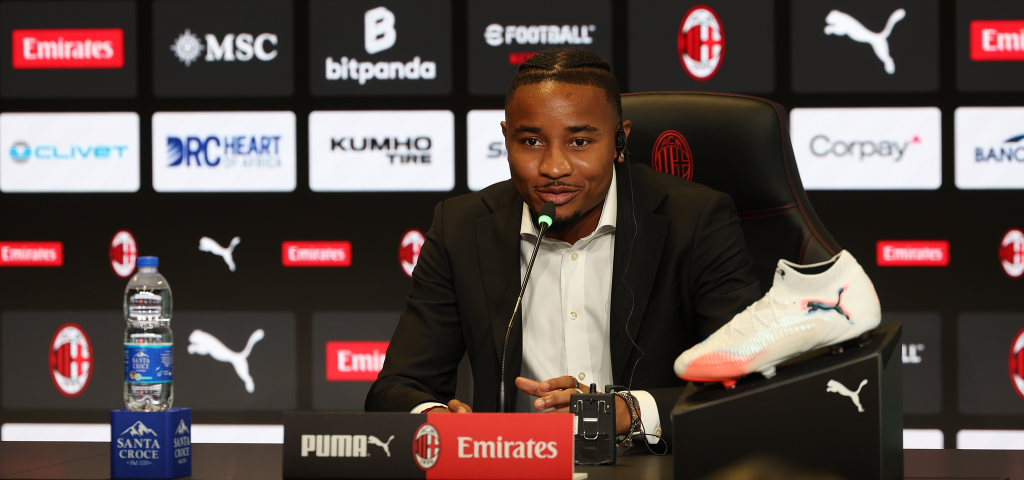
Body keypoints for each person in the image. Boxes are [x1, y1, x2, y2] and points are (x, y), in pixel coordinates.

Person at [366, 49, 760, 444]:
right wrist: (436, 418)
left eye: (580, 141)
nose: (554, 168)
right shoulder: (461, 228)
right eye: (532, 140)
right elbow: (398, 387)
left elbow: (746, 383)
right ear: (506, 140)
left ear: (620, 141)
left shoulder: (696, 220)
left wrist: (630, 411)